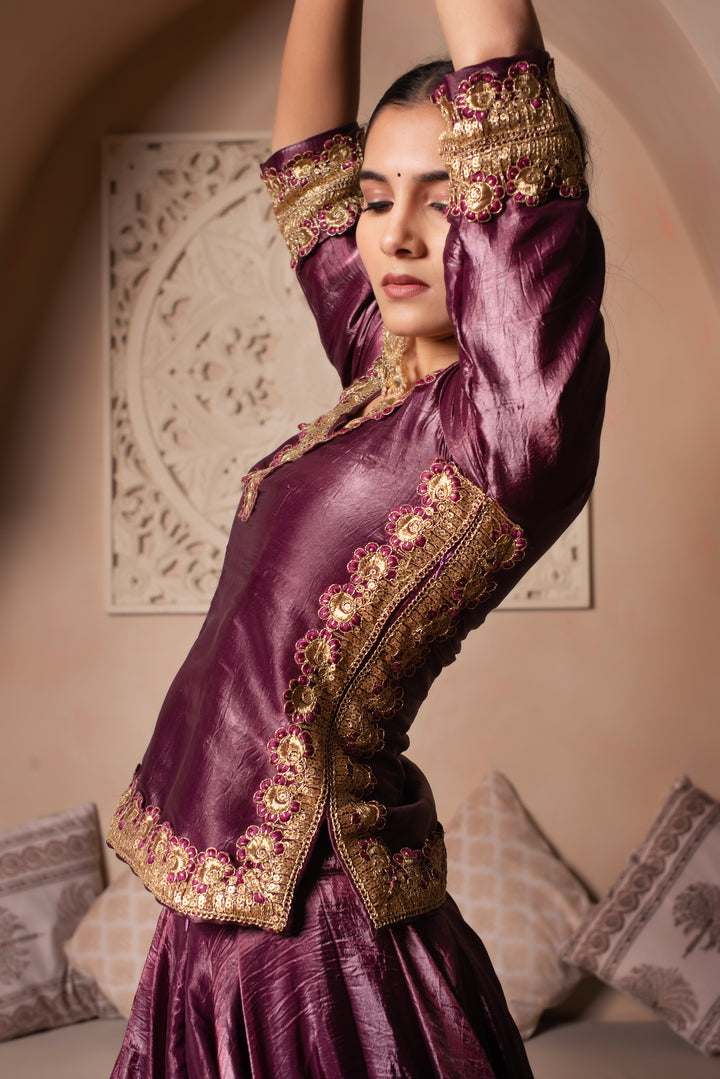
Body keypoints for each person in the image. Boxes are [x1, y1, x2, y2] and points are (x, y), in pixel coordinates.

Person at [109, 0, 609, 1075]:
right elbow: (304, 157)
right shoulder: (382, 364)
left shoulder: (511, 427)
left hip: (318, 933)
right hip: (226, 907)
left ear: (510, 217)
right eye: (380, 198)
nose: (396, 232)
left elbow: (500, 65)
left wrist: (503, 94)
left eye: (447, 200)